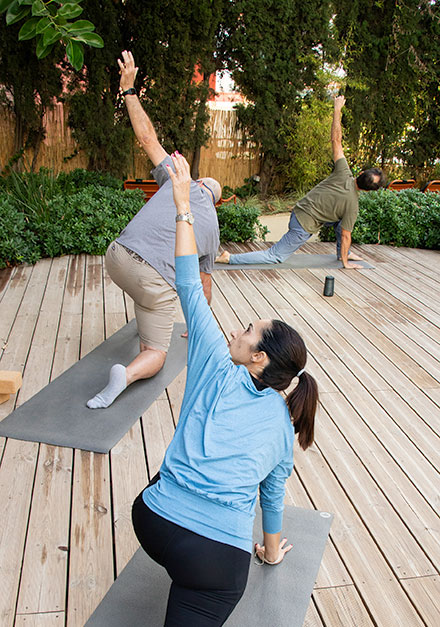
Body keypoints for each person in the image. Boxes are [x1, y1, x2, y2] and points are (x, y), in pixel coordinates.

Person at [132, 151, 319, 625]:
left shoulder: (214, 356)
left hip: (152, 522)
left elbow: (188, 282)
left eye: (249, 329)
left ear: (258, 358)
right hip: (215, 561)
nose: (238, 328)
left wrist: (182, 204)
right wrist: (271, 555)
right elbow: (271, 498)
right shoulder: (283, 427)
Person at [87, 50, 222, 409]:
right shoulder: (211, 224)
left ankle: (143, 325)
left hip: (116, 257)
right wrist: (195, 328)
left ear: (200, 183)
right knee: (157, 352)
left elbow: (148, 139)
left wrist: (129, 91)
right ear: (216, 199)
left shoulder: (177, 180)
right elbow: (202, 285)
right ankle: (127, 375)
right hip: (152, 281)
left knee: (146, 290)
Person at [215, 95, 383, 269]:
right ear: (369, 191)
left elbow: (336, 140)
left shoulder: (344, 172)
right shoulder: (352, 206)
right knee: (274, 256)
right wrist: (347, 265)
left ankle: (344, 253)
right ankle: (230, 258)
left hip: (300, 209)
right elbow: (347, 235)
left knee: (342, 223)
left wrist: (337, 109)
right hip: (303, 225)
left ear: (361, 173)